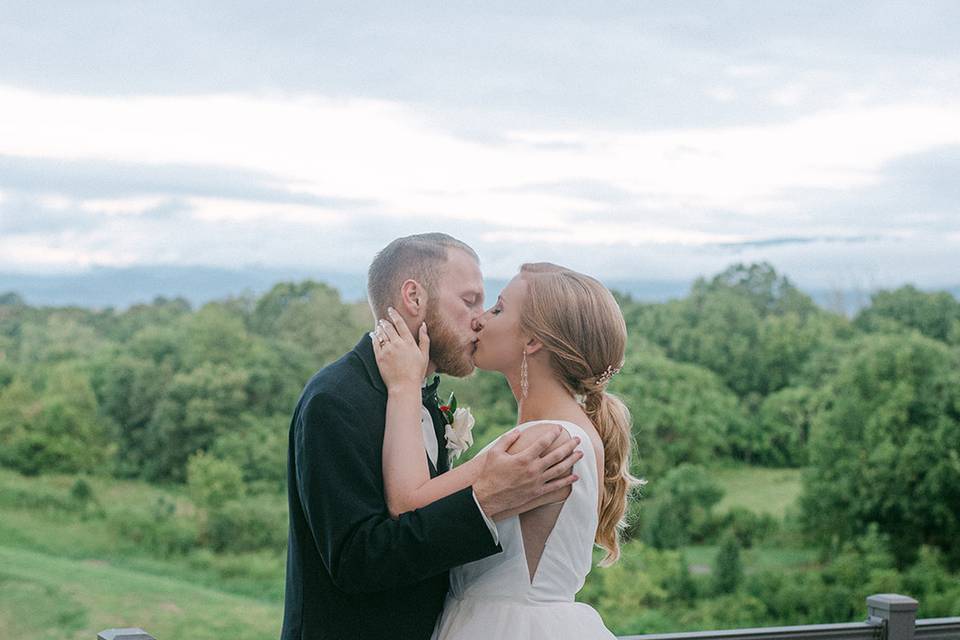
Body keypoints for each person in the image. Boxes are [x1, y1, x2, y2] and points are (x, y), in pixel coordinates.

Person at [280, 234, 582, 640]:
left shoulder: (422, 395)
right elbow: (358, 559)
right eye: (469, 300)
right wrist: (486, 498)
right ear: (414, 298)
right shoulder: (335, 399)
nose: (479, 318)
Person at [372, 261, 640, 639]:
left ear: (532, 342)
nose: (480, 319)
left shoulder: (544, 440)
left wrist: (404, 385)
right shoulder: (574, 430)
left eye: (497, 308)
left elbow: (406, 505)